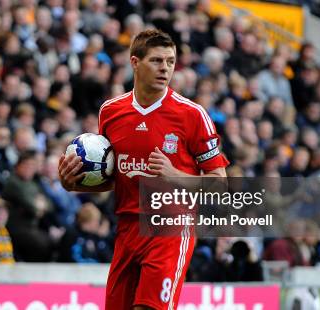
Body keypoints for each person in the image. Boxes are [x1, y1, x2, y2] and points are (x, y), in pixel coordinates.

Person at [59, 29, 229, 309]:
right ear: (135, 62)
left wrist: (174, 175)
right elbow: (116, 177)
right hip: (126, 228)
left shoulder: (192, 115)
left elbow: (219, 184)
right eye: (157, 61)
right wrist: (73, 183)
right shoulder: (111, 112)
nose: (165, 69)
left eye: (171, 62)